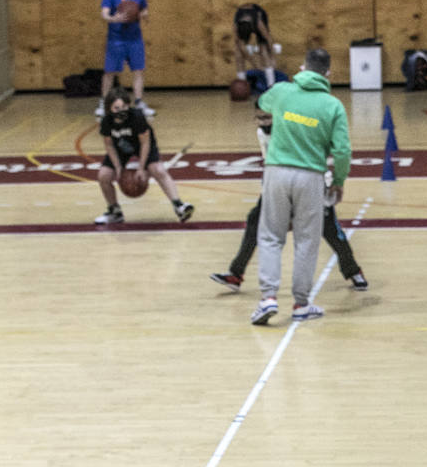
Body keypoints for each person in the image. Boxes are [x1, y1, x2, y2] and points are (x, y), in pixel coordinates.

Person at [210, 109, 367, 294]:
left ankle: (353, 270)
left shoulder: (294, 129)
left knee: (330, 230)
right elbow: (270, 162)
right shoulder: (262, 133)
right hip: (280, 182)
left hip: (310, 180)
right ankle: (235, 274)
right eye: (259, 119)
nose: (264, 123)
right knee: (255, 220)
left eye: (267, 118)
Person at [251, 47, 351, 327]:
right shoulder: (333, 106)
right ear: (328, 74)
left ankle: (268, 298)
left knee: (271, 235)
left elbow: (262, 103)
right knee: (307, 240)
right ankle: (301, 304)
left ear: (302, 67)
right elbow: (342, 151)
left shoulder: (282, 91)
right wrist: (339, 181)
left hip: (277, 172)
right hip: (311, 176)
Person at [94, 86, 193, 225]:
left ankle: (179, 206)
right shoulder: (106, 122)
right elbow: (109, 145)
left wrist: (141, 168)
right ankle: (114, 212)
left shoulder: (137, 117)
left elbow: (145, 143)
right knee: (103, 175)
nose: (121, 111)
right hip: (121, 148)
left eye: (124, 107)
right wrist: (117, 167)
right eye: (116, 108)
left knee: (157, 170)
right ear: (109, 108)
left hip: (143, 146)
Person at [96, 0, 153, 118]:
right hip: (116, 40)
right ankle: (104, 103)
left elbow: (144, 9)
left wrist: (143, 14)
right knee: (109, 72)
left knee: (138, 71)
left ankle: (139, 102)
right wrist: (114, 18)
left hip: (135, 39)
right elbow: (104, 13)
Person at [233, 3, 277, 90]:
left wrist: (273, 57)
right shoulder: (236, 26)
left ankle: (271, 86)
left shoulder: (259, 23)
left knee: (263, 50)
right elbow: (241, 46)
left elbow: (268, 39)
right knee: (238, 53)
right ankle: (242, 86)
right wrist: (254, 64)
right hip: (243, 18)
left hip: (257, 15)